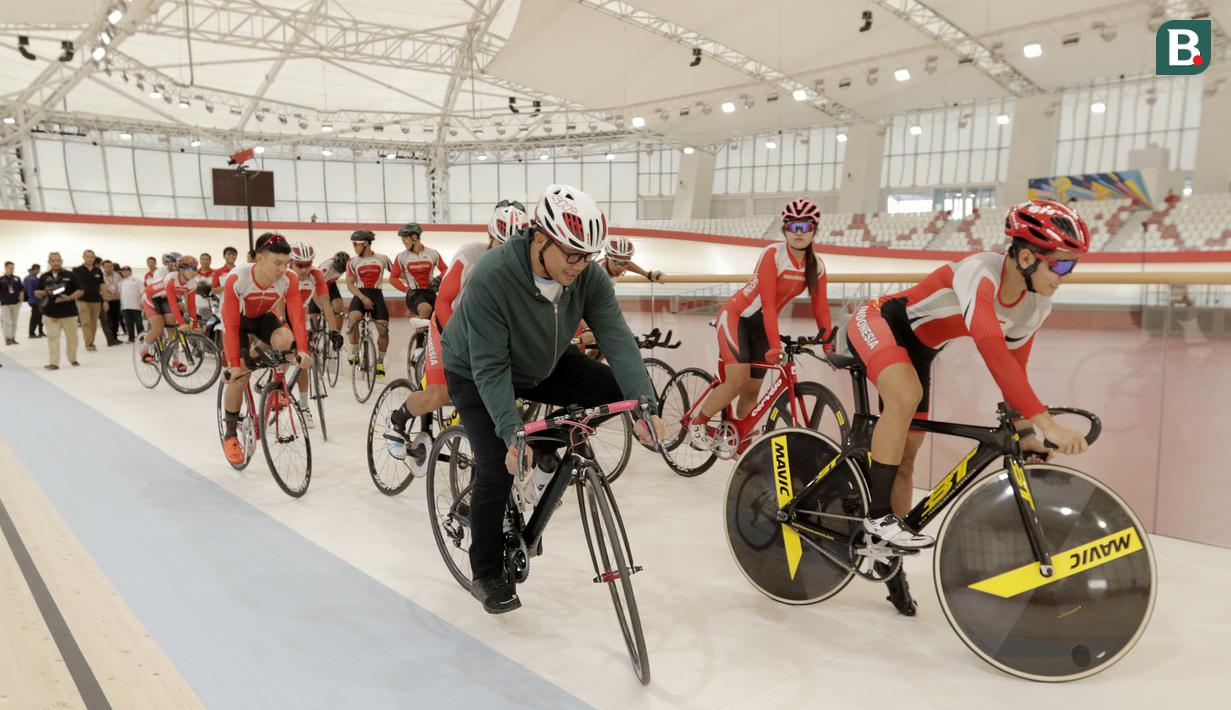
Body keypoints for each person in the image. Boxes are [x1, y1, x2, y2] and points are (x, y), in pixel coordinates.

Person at [844, 199, 1092, 616]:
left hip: (920, 349)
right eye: (1063, 266)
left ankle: (890, 562)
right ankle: (879, 516)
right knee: (905, 397)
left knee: (908, 455)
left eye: (1073, 267)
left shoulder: (1037, 302)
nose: (1066, 277)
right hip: (881, 321)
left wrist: (1029, 431)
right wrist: (1046, 421)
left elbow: (1016, 367)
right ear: (1028, 257)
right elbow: (991, 350)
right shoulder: (980, 272)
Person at [441, 184, 664, 614]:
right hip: (474, 368)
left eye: (588, 256)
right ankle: (486, 571)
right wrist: (511, 434)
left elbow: (617, 339)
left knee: (609, 390)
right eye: (572, 255)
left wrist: (644, 404)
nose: (580, 266)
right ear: (541, 239)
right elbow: (490, 367)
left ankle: (545, 450)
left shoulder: (589, 276)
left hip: (541, 362)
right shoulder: (493, 275)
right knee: (495, 466)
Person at [384, 200, 529, 464]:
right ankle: (397, 420)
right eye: (500, 247)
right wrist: (463, 348)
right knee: (438, 395)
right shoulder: (470, 256)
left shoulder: (527, 269)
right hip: (448, 327)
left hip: (487, 337)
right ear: (489, 238)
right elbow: (443, 302)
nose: (506, 256)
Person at [688, 199, 834, 454]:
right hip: (736, 317)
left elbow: (820, 307)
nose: (798, 233)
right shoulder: (773, 254)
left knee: (753, 390)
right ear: (784, 229)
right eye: (792, 227)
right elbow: (767, 302)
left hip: (762, 325)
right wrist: (775, 344)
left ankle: (741, 443)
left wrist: (829, 345)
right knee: (736, 381)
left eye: (804, 227)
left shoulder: (817, 266)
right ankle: (697, 422)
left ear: (814, 230)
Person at [218, 233, 311, 466]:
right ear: (259, 259)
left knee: (286, 340)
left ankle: (276, 385)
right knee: (238, 377)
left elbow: (297, 315)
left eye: (286, 263)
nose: (282, 269)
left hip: (263, 318)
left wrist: (303, 350)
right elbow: (230, 323)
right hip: (236, 323)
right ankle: (230, 435)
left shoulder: (289, 278)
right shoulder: (237, 278)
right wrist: (233, 364)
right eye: (277, 263)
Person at [576, 235, 666, 359]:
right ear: (607, 257)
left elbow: (626, 263)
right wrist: (587, 328)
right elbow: (578, 303)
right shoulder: (598, 275)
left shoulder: (613, 264)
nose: (619, 267)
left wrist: (647, 274)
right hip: (577, 309)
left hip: (594, 307)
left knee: (607, 346)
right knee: (580, 350)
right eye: (616, 262)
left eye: (623, 263)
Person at [287, 241, 343, 428]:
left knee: (303, 359)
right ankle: (276, 385)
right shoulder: (283, 275)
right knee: (284, 354)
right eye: (299, 265)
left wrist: (334, 330)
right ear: (290, 262)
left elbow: (325, 304)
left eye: (308, 264)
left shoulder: (317, 275)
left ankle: (303, 407)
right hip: (280, 315)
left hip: (299, 317)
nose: (304, 270)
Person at [344, 229, 393, 378]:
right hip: (360, 294)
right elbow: (350, 285)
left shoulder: (383, 258)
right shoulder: (352, 262)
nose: (354, 247)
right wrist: (363, 298)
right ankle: (355, 352)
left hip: (377, 294)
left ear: (365, 243)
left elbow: (398, 274)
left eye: (356, 244)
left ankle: (379, 361)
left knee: (383, 330)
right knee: (353, 320)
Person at [140, 255, 200, 366]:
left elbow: (192, 306)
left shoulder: (192, 283)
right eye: (191, 269)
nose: (194, 272)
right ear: (182, 269)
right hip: (150, 297)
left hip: (164, 299)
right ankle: (143, 350)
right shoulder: (171, 278)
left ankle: (175, 360)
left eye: (195, 269)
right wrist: (182, 323)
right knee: (158, 328)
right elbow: (173, 303)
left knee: (173, 330)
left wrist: (194, 324)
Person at [34, 252, 83, 370]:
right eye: (53, 260)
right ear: (49, 262)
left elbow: (80, 291)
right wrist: (45, 292)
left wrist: (70, 297)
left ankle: (72, 358)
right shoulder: (44, 276)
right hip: (50, 313)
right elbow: (37, 292)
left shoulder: (71, 275)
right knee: (53, 338)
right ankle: (54, 362)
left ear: (61, 261)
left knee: (72, 338)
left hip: (69, 313)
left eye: (57, 260)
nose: (55, 262)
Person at [389, 222, 447, 319]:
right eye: (402, 240)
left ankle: (424, 332)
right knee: (425, 309)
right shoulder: (401, 257)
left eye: (405, 239)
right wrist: (406, 290)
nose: (403, 242)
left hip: (430, 292)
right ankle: (417, 333)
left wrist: (438, 279)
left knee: (438, 319)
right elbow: (393, 278)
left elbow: (445, 269)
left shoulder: (432, 253)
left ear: (415, 237)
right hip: (414, 294)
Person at [74, 249, 105, 351]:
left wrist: (105, 300)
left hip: (96, 301)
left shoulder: (98, 271)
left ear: (94, 258)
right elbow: (73, 285)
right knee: (85, 322)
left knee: (93, 323)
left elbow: (102, 285)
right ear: (84, 257)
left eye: (91, 257)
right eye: (87, 256)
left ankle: (91, 341)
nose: (89, 258)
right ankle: (89, 343)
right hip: (82, 300)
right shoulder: (77, 270)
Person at [100, 259, 123, 346]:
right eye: (106, 266)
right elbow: (100, 288)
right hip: (106, 300)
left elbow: (121, 285)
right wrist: (108, 292)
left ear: (113, 267)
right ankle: (110, 339)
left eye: (110, 266)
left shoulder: (117, 275)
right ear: (103, 267)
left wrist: (117, 292)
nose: (109, 268)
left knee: (116, 319)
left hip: (116, 299)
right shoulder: (101, 276)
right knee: (108, 320)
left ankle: (115, 337)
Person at [118, 265, 144, 342]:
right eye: (123, 271)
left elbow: (142, 292)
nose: (125, 272)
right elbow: (120, 294)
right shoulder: (121, 282)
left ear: (130, 271)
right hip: (125, 306)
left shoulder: (137, 280)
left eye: (126, 271)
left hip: (136, 305)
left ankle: (141, 338)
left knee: (139, 323)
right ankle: (131, 338)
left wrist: (142, 302)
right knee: (128, 323)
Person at [1, 261, 22, 345]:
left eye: (13, 268)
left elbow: (21, 289)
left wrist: (21, 300)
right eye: (10, 268)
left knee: (14, 322)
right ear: (5, 268)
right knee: (6, 321)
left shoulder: (17, 279)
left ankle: (13, 337)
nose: (12, 269)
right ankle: (7, 338)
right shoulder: (1, 279)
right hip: (5, 303)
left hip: (16, 303)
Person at [23, 264, 43, 338]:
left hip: (37, 300)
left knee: (39, 316)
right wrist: (33, 300)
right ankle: (31, 333)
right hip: (34, 300)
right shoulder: (30, 279)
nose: (39, 271)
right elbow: (30, 291)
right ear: (35, 269)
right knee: (35, 316)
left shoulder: (34, 278)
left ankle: (40, 331)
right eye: (38, 269)